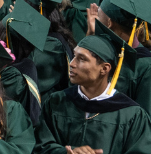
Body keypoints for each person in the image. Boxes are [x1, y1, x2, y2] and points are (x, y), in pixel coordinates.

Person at [38, 24, 151, 154]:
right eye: (74, 56)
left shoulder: (132, 116)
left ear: (104, 69)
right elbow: (41, 146)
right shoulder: (56, 102)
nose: (72, 63)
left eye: (81, 59)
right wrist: (67, 152)